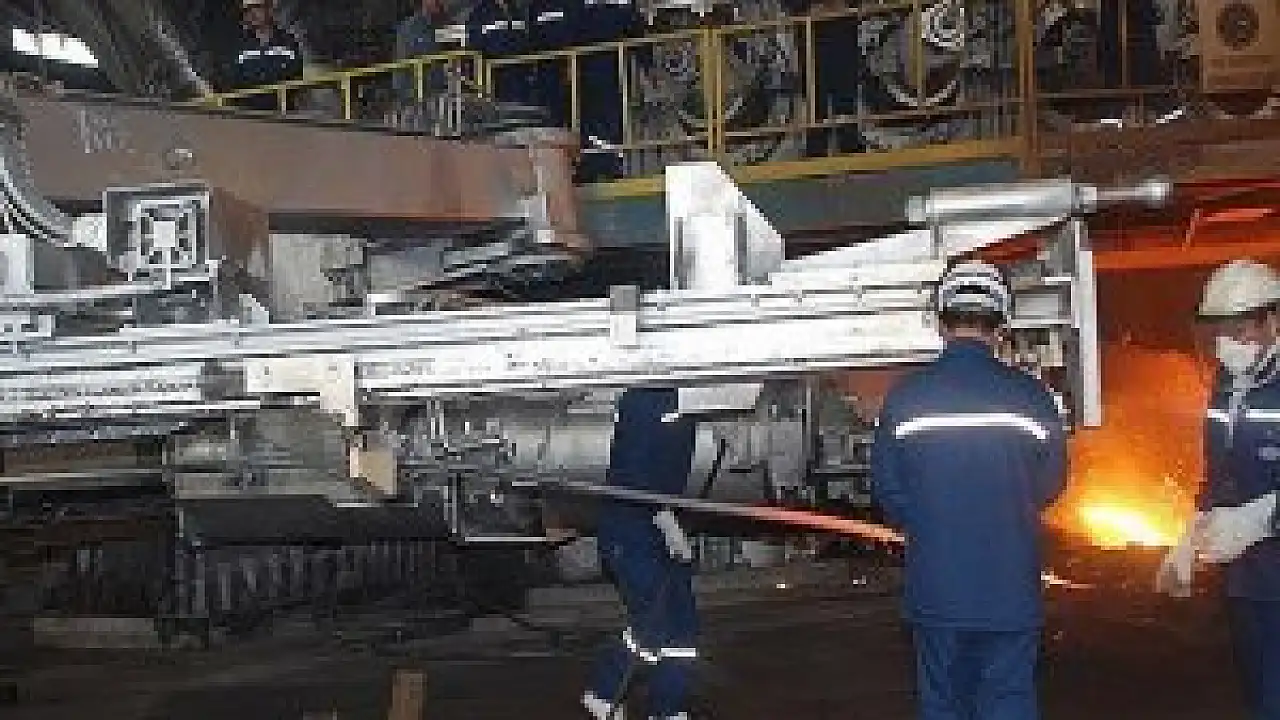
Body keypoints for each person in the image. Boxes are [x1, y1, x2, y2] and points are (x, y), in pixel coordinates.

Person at [871, 260, 1068, 720]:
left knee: (942, 702)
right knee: (1008, 699)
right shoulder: (1032, 398)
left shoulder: (906, 398)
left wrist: (929, 523)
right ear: (1002, 324)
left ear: (941, 321)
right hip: (1010, 589)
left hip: (937, 589)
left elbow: (888, 491)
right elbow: (1050, 485)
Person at [1162, 259, 1280, 719]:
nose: (1227, 343)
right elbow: (1220, 470)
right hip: (1249, 583)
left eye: (1240, 329)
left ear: (1273, 320)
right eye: (1220, 331)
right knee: (1257, 693)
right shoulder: (1228, 384)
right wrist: (1192, 534)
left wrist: (1260, 520)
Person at [583, 385, 699, 720]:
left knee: (683, 629)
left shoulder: (686, 398)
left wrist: (667, 518)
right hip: (630, 528)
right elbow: (632, 470)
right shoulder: (647, 397)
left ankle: (668, 709)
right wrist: (661, 514)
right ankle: (604, 692)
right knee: (653, 626)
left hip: (660, 524)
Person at [225, 0, 304, 111]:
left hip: (284, 113)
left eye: (257, 7)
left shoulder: (288, 42)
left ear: (269, 9)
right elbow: (232, 81)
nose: (252, 13)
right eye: (247, 10)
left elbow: (296, 77)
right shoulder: (237, 46)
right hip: (247, 114)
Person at [393, 0, 448, 104]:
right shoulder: (409, 28)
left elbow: (459, 45)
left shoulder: (443, 25)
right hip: (415, 95)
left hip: (437, 92)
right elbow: (403, 63)